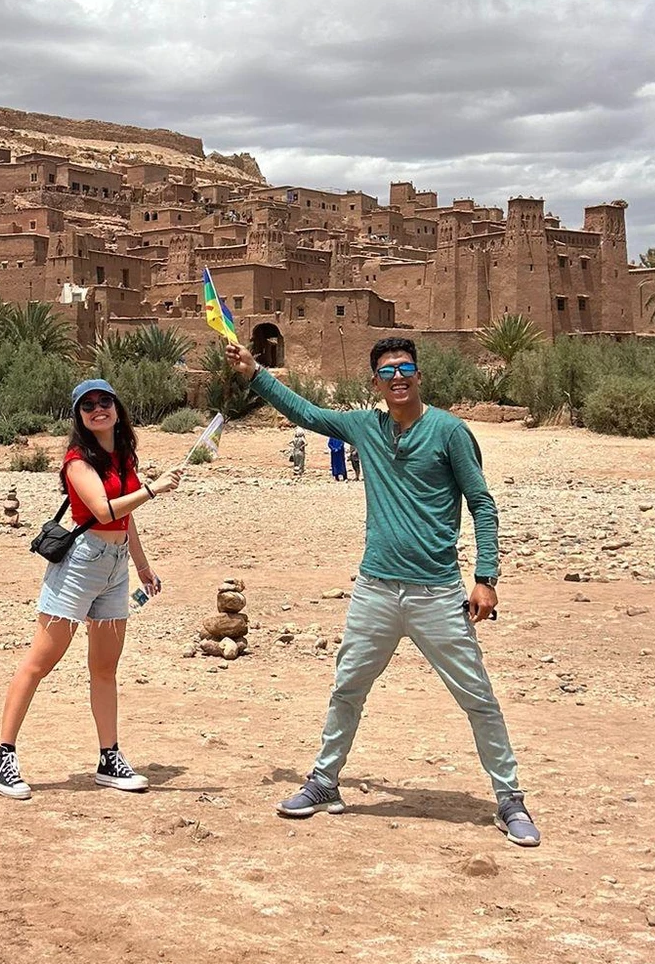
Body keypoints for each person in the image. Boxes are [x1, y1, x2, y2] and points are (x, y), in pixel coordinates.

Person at [224, 334, 540, 846]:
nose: (397, 377)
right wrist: (255, 373)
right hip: (375, 589)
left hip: (437, 593)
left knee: (477, 697)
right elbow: (306, 412)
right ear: (375, 382)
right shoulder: (364, 428)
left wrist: (486, 578)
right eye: (387, 371)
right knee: (347, 688)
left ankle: (509, 799)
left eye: (405, 369)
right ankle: (325, 781)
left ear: (419, 376)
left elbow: (482, 503)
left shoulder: (450, 432)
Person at [0, 378, 180, 802]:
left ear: (117, 408)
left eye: (104, 401)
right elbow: (103, 511)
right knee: (40, 661)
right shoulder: (77, 461)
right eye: (87, 405)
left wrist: (143, 567)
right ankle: (2, 755)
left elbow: (125, 521)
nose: (97, 409)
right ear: (78, 416)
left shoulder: (123, 456)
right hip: (80, 567)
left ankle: (109, 758)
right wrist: (152, 489)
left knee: (105, 668)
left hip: (115, 567)